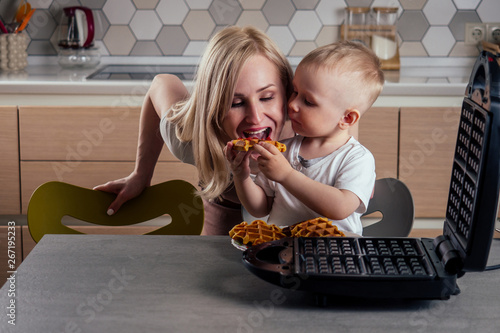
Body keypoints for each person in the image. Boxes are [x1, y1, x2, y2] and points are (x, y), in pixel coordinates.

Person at [94, 26, 294, 235]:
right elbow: (160, 84)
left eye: (267, 97)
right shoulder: (191, 141)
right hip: (224, 215)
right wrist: (141, 174)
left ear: (287, 93)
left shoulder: (306, 135)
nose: (256, 117)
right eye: (236, 103)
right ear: (213, 107)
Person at [225, 41, 384, 235]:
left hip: (335, 256)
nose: (292, 104)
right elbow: (260, 208)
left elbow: (340, 207)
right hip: (282, 252)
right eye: (295, 92)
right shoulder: (282, 151)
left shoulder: (357, 159)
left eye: (308, 101)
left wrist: (287, 176)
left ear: (347, 118)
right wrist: (241, 176)